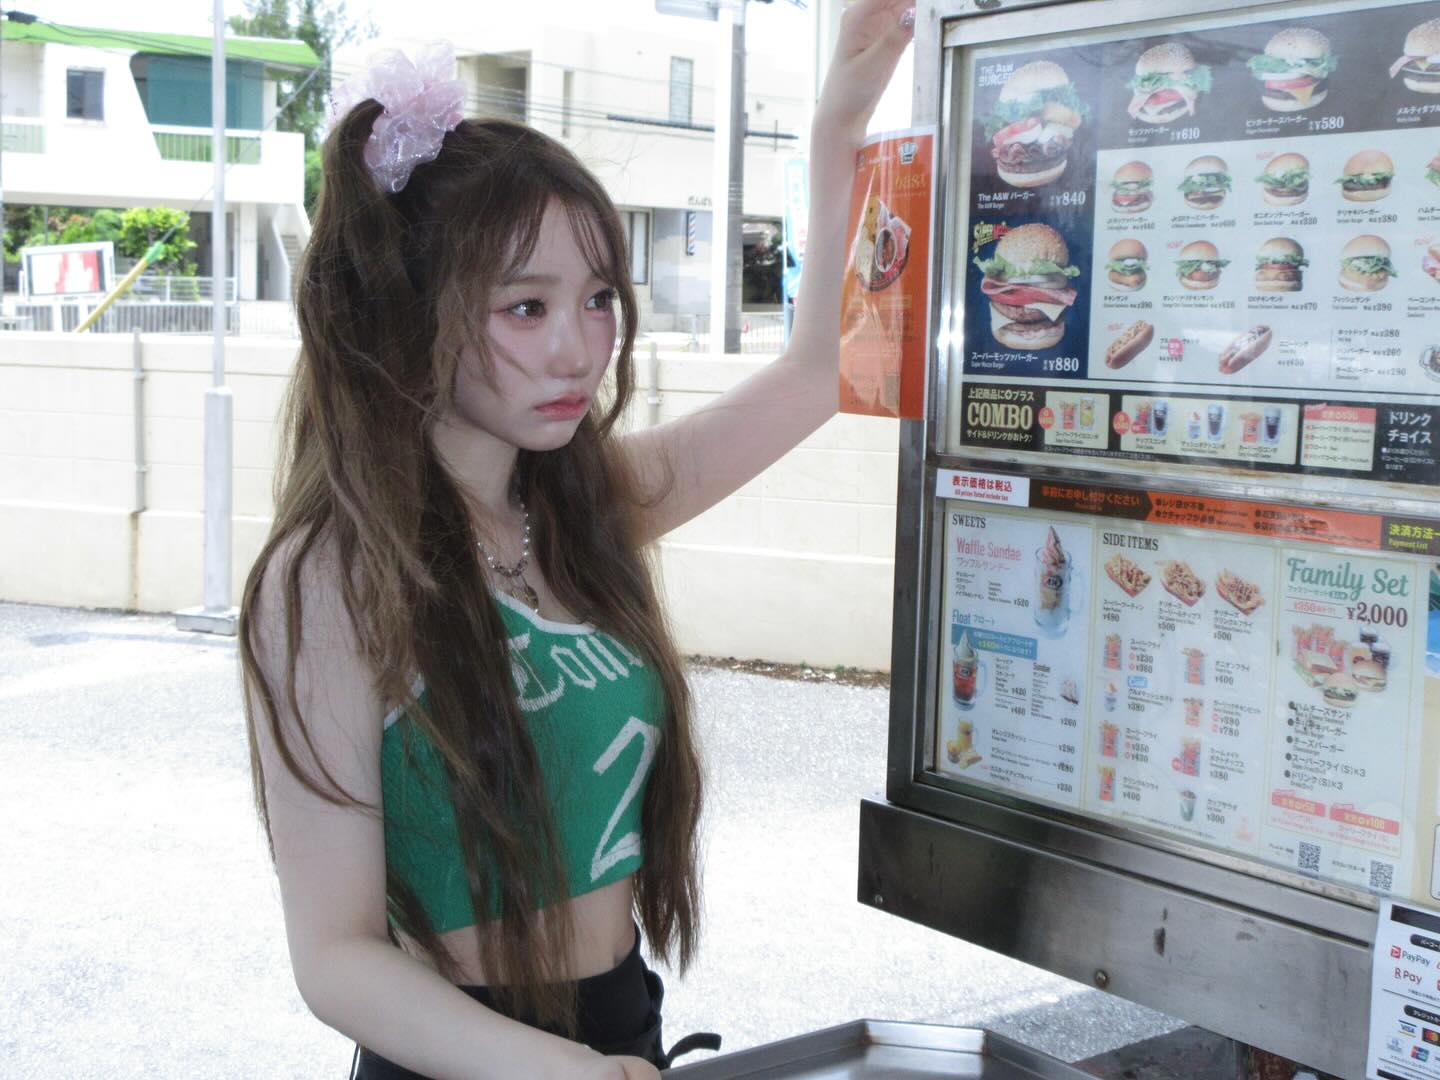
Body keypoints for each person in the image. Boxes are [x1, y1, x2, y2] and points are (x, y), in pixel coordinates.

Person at [239, 4, 915, 1078]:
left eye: (599, 298)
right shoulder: (332, 574)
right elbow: (335, 957)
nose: (578, 348)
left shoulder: (584, 506)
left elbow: (818, 369)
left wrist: (840, 122)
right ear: (413, 311)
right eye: (525, 307)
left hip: (619, 1028)